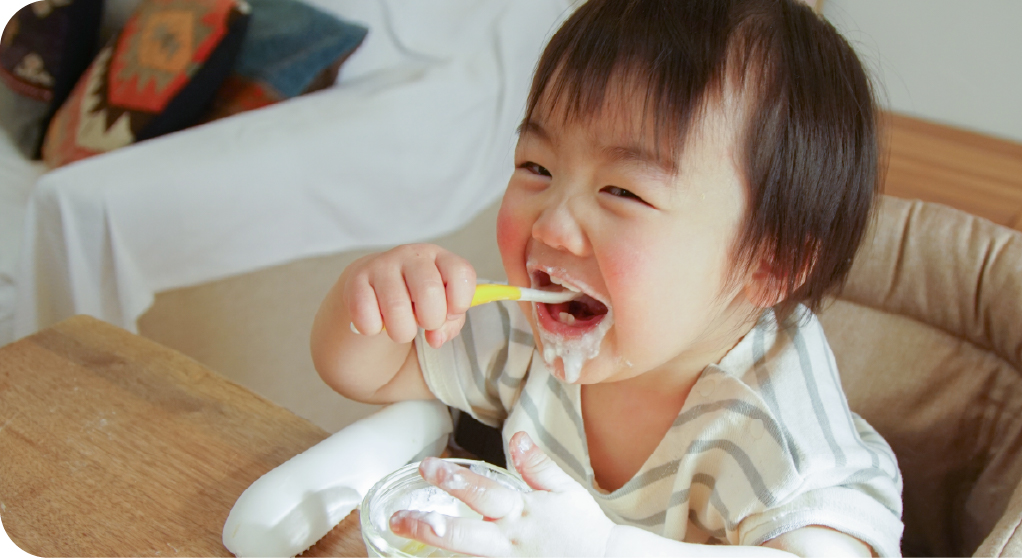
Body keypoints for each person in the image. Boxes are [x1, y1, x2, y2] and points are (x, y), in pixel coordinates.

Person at [310, 0, 903, 555]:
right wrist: (374, 300)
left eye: (622, 190)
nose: (553, 225)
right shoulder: (540, 333)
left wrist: (603, 549)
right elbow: (365, 372)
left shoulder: (774, 425)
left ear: (766, 264)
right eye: (536, 167)